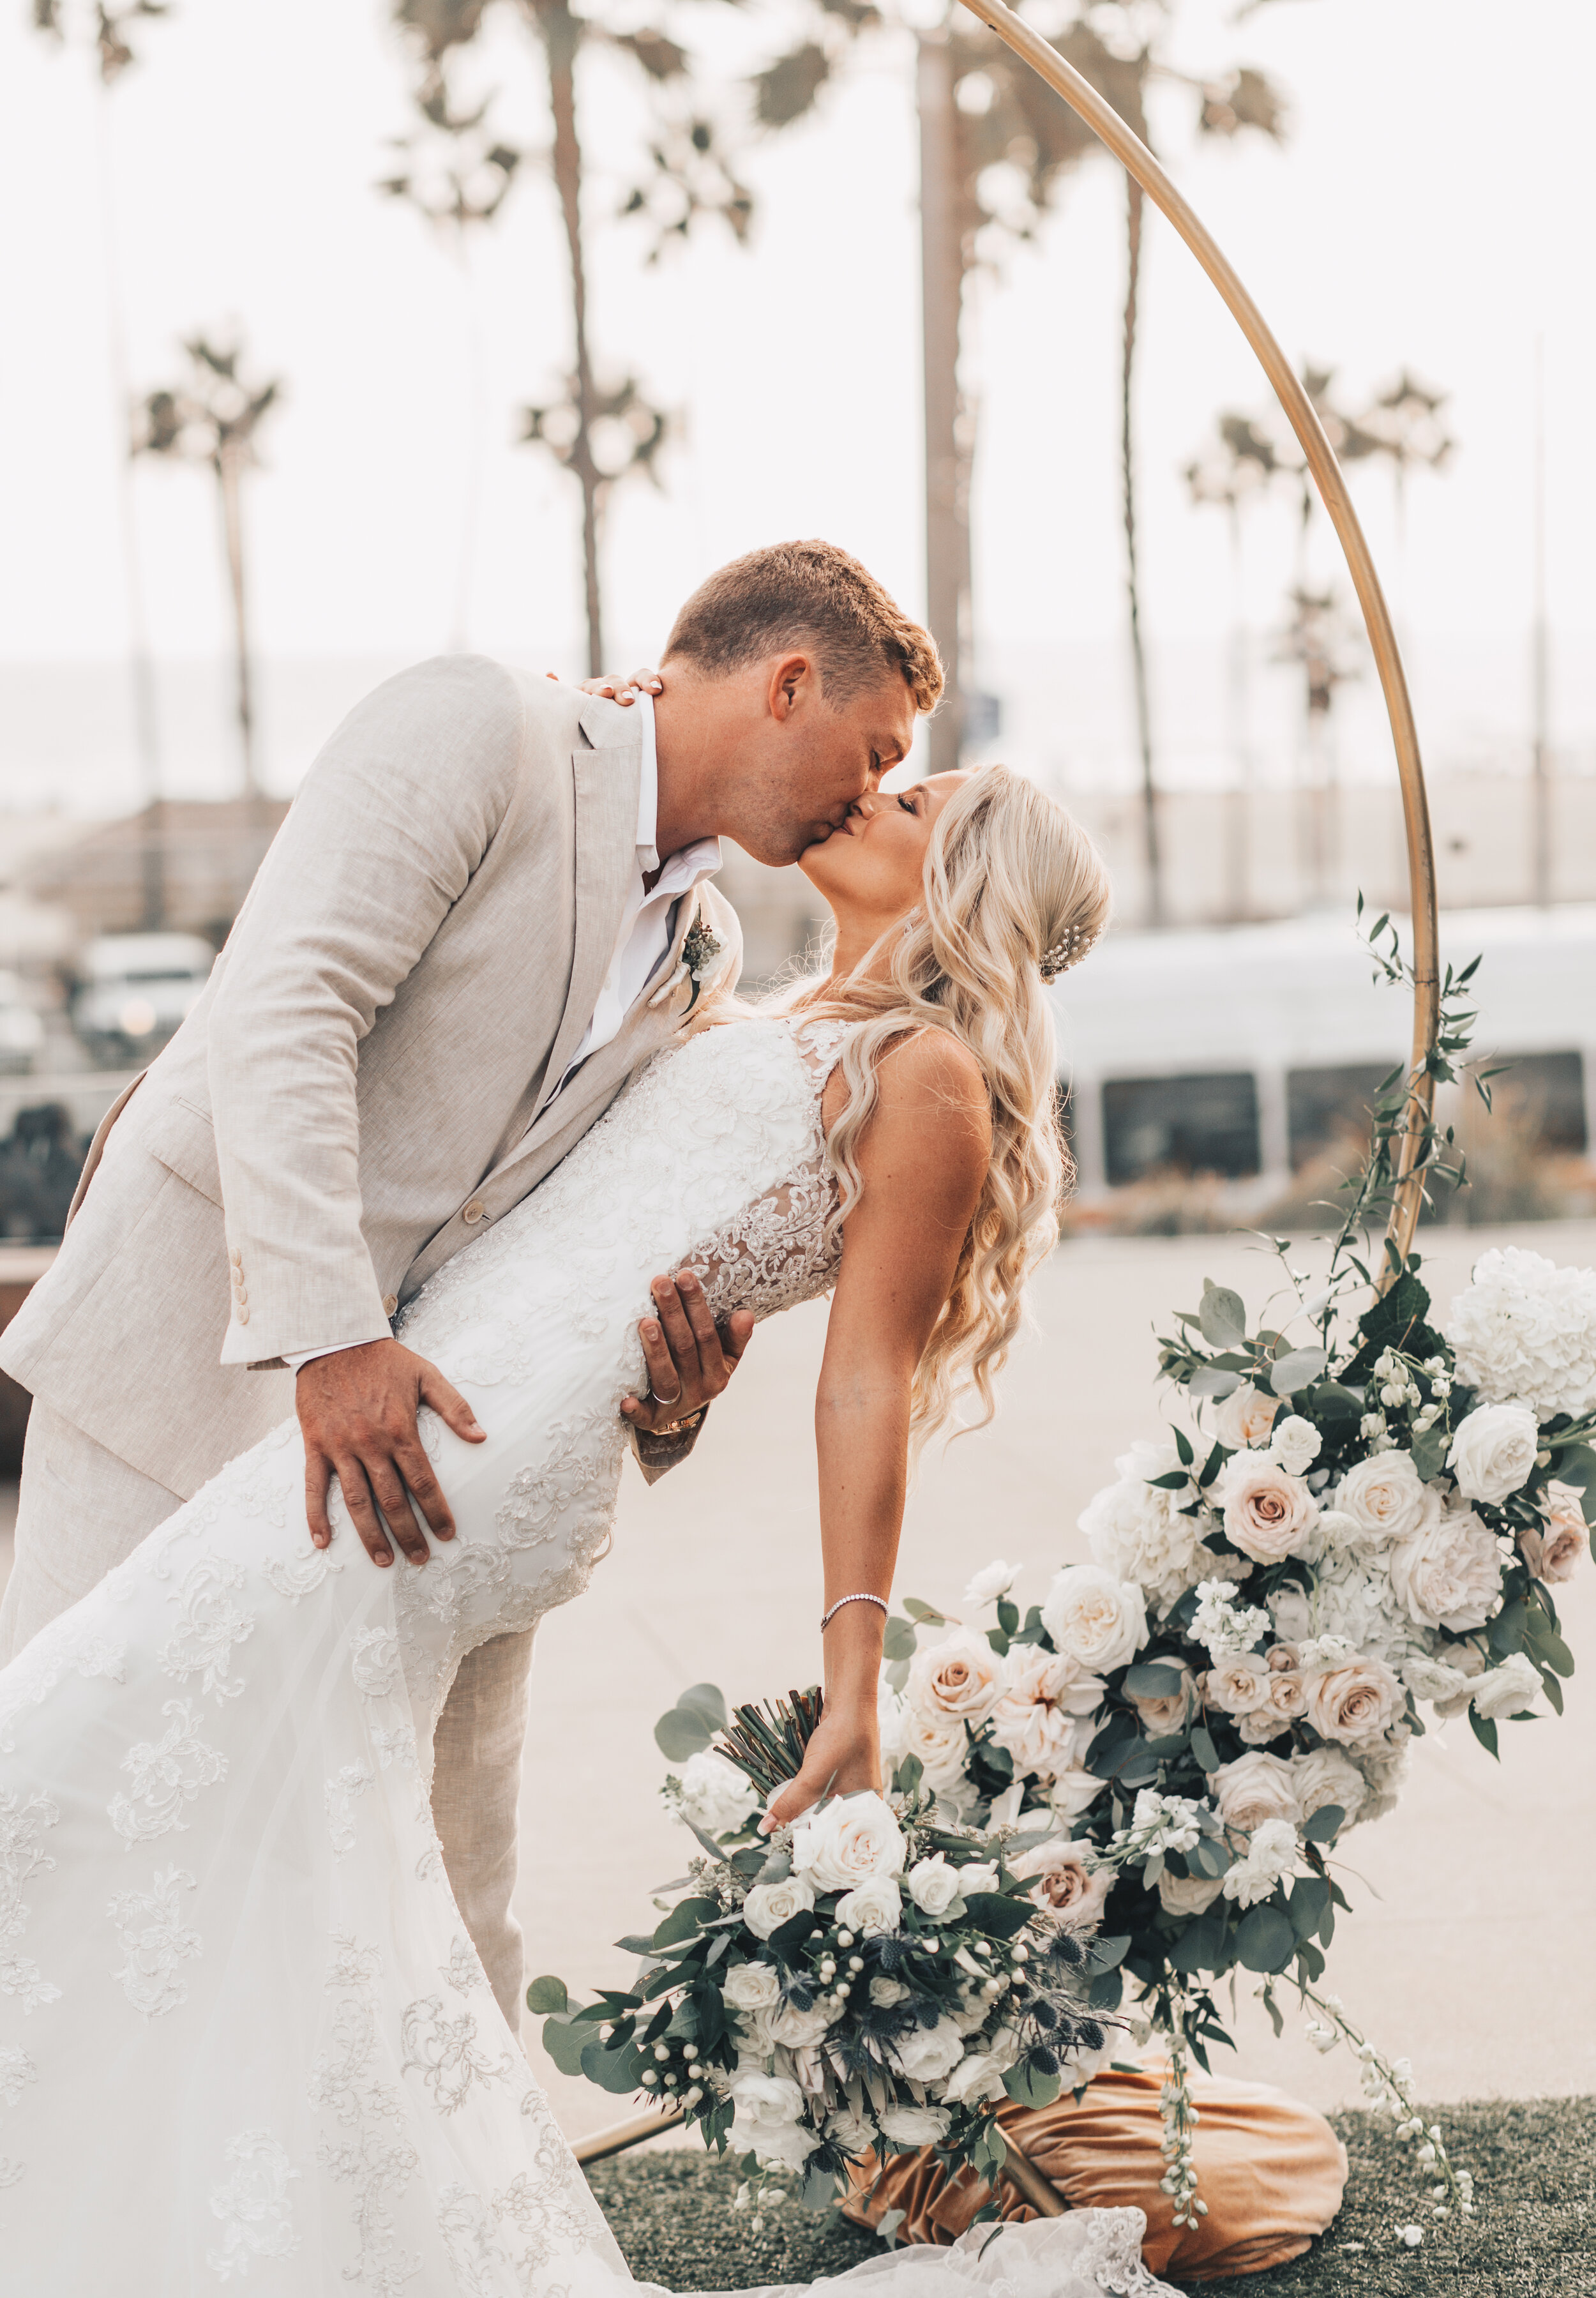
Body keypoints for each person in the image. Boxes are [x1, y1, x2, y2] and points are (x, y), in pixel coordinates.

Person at [0, 762, 1177, 2298]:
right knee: (216, 1791)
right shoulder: (749, 1009)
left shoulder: (928, 1080)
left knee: (91, 1730)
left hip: (483, 1459)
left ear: (963, 884)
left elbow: (862, 1386)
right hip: (421, 1397)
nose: (860, 797)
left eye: (909, 805)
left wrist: (854, 1681)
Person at [0, 539, 934, 2035]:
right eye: (876, 748)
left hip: (417, 1471)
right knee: (72, 1810)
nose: (872, 789)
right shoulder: (478, 727)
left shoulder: (707, 950)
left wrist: (669, 1397)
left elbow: (569, 1224)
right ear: (788, 680)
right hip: (191, 1364)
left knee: (434, 1893)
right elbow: (283, 1005)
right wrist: (332, 1338)